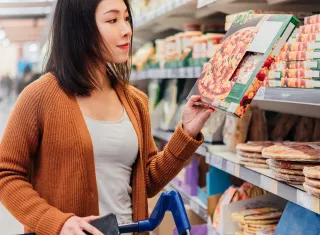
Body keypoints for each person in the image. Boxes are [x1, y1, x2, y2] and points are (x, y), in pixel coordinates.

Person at [0, 0, 214, 235]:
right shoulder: (39, 96)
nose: (126, 30)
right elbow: (6, 173)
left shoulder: (135, 101)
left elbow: (147, 181)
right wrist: (56, 222)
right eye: (112, 20)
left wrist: (187, 132)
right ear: (80, 28)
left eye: (126, 18)